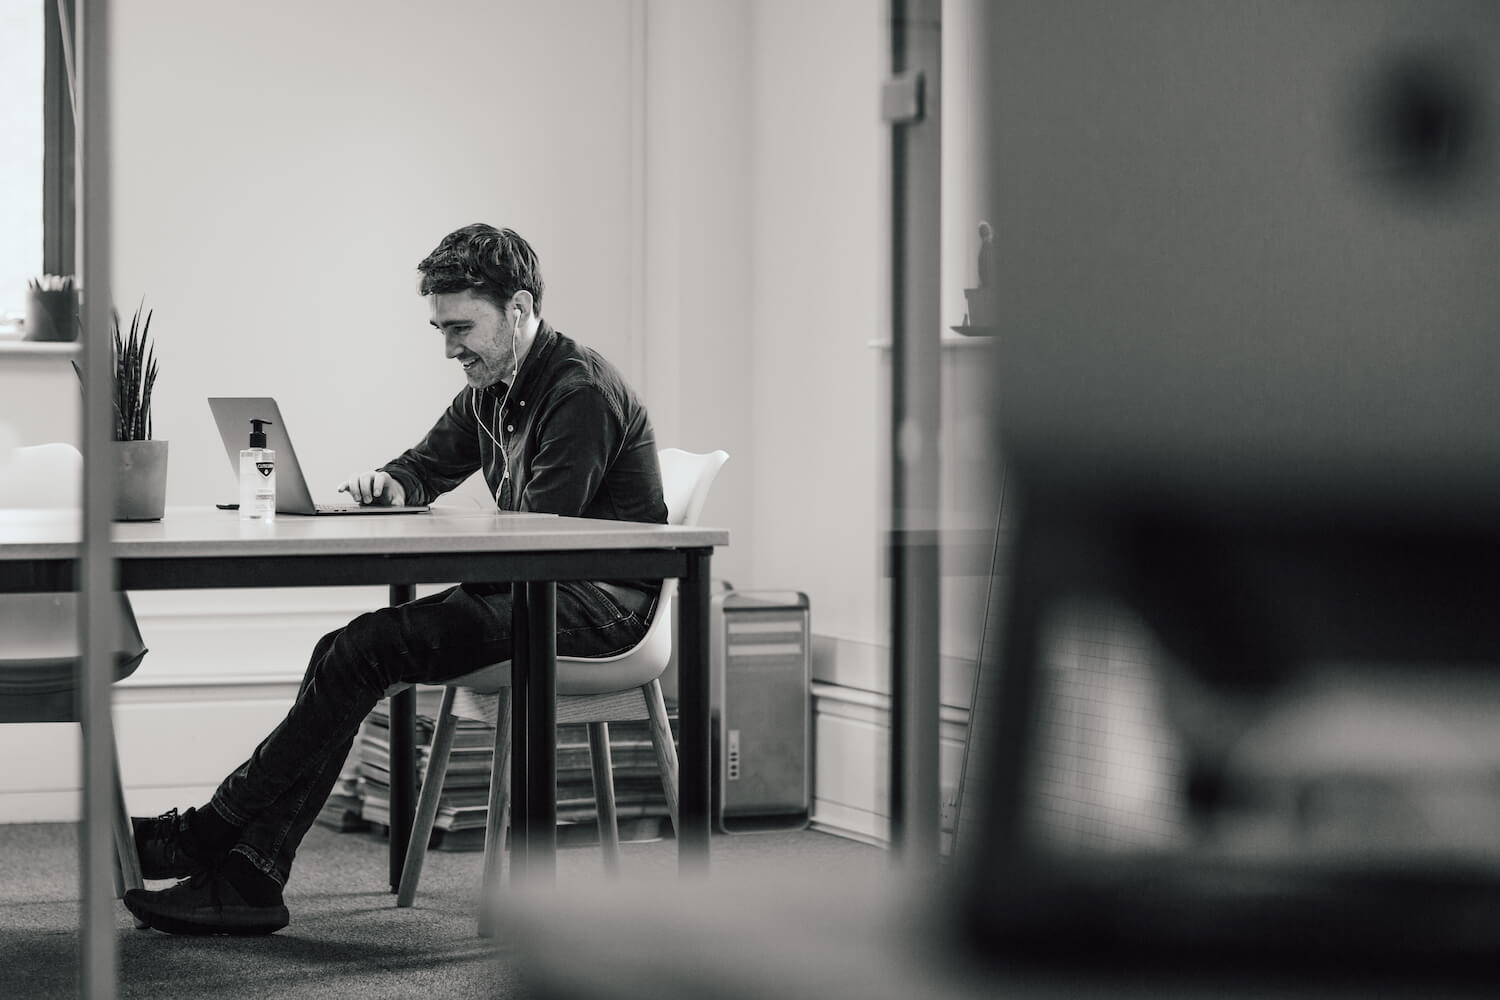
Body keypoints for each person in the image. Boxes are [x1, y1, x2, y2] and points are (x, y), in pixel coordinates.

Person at [123, 223, 667, 935]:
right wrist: (390, 483)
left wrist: (431, 505)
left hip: (600, 610)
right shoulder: (493, 386)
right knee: (342, 650)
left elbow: (539, 535)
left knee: (362, 650)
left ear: (521, 309)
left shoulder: (579, 391)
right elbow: (424, 465)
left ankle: (212, 833)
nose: (449, 348)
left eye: (461, 328)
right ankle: (249, 870)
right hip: (534, 592)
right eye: (439, 328)